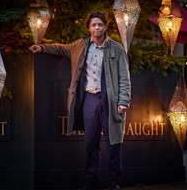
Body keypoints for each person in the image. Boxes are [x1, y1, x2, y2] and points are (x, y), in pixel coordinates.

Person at [29, 12, 131, 190]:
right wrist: (42, 48)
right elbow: (61, 48)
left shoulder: (117, 49)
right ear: (89, 27)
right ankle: (90, 181)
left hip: (110, 102)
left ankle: (114, 182)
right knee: (90, 144)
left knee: (114, 143)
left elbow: (125, 78)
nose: (97, 28)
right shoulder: (80, 45)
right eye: (93, 25)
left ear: (105, 26)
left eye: (100, 24)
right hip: (89, 100)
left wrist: (123, 101)